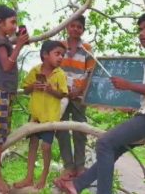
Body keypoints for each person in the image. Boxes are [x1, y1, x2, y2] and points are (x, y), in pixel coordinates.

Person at [54, 12, 145, 194]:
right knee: (114, 149)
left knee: (104, 144)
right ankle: (76, 185)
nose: (142, 33)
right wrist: (135, 106)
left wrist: (128, 85)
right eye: (140, 29)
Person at [0, 5, 29, 193]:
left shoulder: (4, 40)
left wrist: (17, 42)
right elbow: (6, 66)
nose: (15, 25)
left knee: (1, 133)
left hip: (6, 92)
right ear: (0, 23)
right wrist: (18, 45)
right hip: (1, 92)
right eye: (12, 22)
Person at [13, 40, 68, 190]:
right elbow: (25, 89)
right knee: (32, 145)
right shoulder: (35, 70)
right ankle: (29, 177)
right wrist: (33, 86)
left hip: (50, 120)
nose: (60, 57)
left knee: (46, 147)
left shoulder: (60, 74)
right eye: (57, 54)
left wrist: (50, 90)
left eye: (62, 55)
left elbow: (62, 94)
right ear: (45, 55)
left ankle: (43, 176)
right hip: (35, 118)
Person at [55, 15, 95, 181]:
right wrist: (61, 90)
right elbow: (52, 68)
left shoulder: (86, 48)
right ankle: (68, 166)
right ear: (67, 27)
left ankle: (80, 166)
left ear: (83, 30)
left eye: (79, 27)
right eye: (72, 26)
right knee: (61, 130)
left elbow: (91, 72)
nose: (75, 29)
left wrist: (80, 89)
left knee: (79, 130)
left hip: (79, 96)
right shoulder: (59, 46)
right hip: (60, 96)